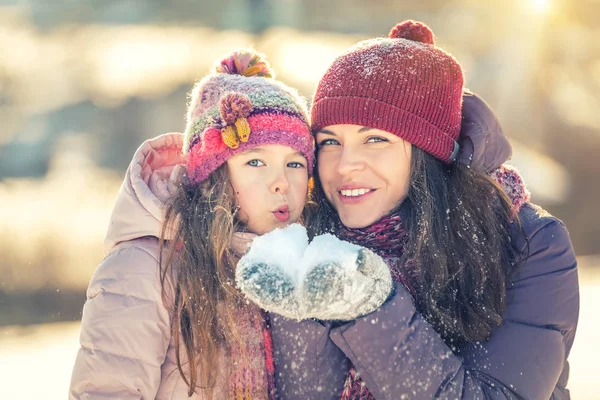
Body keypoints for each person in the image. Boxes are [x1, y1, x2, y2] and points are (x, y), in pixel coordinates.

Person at [237, 20, 579, 399]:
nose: (345, 164)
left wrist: (370, 306)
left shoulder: (528, 244)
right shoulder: (306, 236)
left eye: (375, 139)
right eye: (330, 141)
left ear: (426, 152)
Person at [69, 48, 322, 399]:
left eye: (295, 164)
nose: (281, 182)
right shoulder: (146, 270)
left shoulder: (304, 266)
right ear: (210, 176)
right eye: (255, 162)